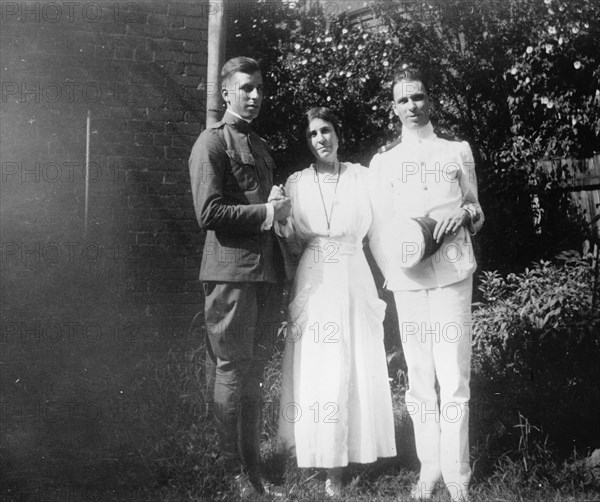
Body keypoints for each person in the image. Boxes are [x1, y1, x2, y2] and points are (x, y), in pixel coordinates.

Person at [368, 67, 484, 502]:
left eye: (418, 97)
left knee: (453, 374)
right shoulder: (384, 163)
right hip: (408, 280)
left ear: (428, 100)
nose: (412, 106)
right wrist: (395, 272)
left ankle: (458, 475)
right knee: (419, 377)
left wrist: (466, 216)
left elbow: (477, 209)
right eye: (403, 100)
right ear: (393, 108)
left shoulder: (457, 151)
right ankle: (429, 468)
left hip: (453, 271)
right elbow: (378, 230)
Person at [274, 107, 397, 497]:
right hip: (315, 275)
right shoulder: (296, 183)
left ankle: (355, 451)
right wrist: (278, 216)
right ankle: (320, 455)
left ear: (338, 134)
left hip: (354, 271)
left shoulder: (362, 177)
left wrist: (394, 276)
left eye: (326, 130)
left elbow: (381, 232)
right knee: (320, 362)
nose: (320, 139)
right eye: (312, 134)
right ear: (307, 142)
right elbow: (290, 242)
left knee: (356, 359)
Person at [188, 56, 291, 498]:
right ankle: (234, 475)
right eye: (245, 88)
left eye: (260, 89)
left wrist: (274, 207)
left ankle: (254, 469)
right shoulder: (211, 144)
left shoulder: (262, 146)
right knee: (231, 370)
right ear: (226, 93)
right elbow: (208, 212)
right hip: (231, 275)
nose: (254, 96)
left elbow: (260, 209)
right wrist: (267, 212)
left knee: (253, 374)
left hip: (264, 275)